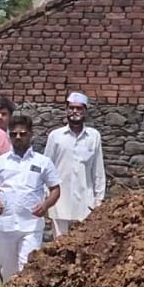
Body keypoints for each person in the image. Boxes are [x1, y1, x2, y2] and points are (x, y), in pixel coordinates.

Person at [0, 115, 62, 280]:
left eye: (22, 133)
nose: (18, 137)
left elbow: (55, 189)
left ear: (30, 134)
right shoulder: (0, 162)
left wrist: (46, 205)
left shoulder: (43, 162)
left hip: (31, 225)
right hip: (5, 225)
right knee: (8, 270)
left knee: (27, 268)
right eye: (13, 134)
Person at [45, 92, 106, 237]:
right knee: (59, 247)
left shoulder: (93, 136)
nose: (75, 112)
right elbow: (46, 168)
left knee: (83, 246)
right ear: (66, 110)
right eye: (71, 108)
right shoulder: (56, 136)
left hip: (85, 204)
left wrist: (99, 201)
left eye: (79, 108)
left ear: (85, 111)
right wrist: (46, 199)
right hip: (59, 203)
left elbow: (98, 171)